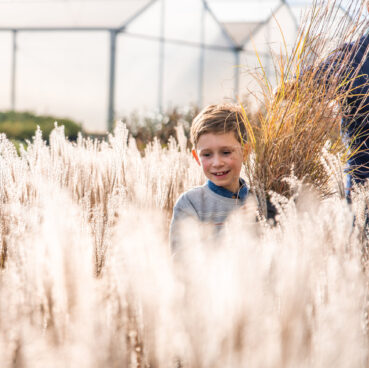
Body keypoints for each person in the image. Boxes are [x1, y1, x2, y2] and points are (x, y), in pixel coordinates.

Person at [169, 103, 252, 253]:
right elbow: (182, 262)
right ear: (196, 157)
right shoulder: (190, 204)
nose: (217, 163)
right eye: (207, 155)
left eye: (226, 152)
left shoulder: (260, 200)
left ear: (245, 151)